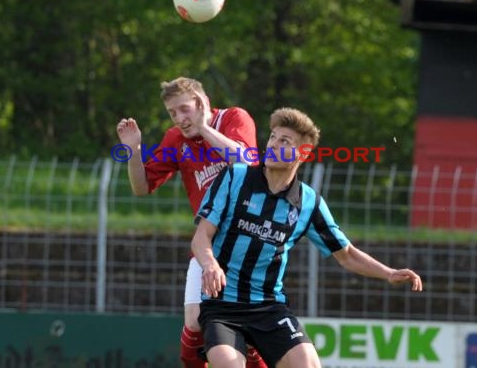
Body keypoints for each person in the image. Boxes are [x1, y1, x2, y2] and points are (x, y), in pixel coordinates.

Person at [191, 107, 424, 368]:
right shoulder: (235, 176)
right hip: (222, 307)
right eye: (272, 137)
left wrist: (389, 273)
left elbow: (345, 254)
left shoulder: (308, 203)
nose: (273, 145)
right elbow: (201, 237)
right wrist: (210, 263)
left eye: (284, 141)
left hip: (268, 308)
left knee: (308, 364)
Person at [116, 77, 267, 368]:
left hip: (248, 241)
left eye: (184, 109)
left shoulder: (235, 118)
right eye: (173, 113)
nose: (179, 118)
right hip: (206, 242)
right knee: (195, 321)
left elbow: (245, 161)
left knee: (248, 330)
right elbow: (142, 186)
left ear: (201, 103)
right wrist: (134, 151)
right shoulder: (175, 139)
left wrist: (203, 129)